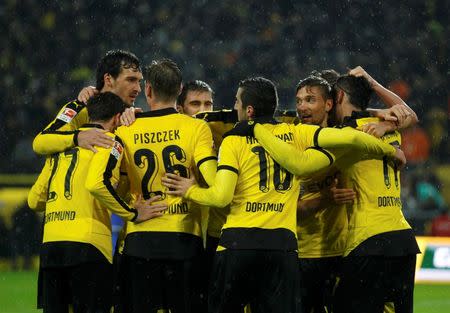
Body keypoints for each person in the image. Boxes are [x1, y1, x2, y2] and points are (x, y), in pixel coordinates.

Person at [162, 76, 404, 313]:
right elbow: (353, 137)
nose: (232, 107)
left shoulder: (233, 139)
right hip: (282, 247)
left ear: (248, 110)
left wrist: (190, 189)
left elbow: (220, 197)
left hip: (237, 244)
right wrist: (389, 150)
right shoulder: (296, 132)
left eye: (236, 102)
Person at [86, 59, 217, 313]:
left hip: (140, 244)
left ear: (148, 90)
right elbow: (213, 182)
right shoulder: (197, 128)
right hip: (184, 242)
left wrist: (131, 212)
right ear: (180, 90)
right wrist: (193, 187)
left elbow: (97, 182)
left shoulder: (125, 130)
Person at [35, 92, 166, 313]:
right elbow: (96, 184)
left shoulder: (58, 149)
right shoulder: (109, 140)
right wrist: (133, 213)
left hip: (51, 247)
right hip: (89, 246)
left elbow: (34, 199)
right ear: (116, 119)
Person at [330, 75, 420, 313]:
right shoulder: (386, 126)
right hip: (403, 241)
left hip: (368, 240)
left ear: (338, 96)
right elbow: (409, 113)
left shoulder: (344, 132)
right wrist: (371, 84)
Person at [28, 49, 143, 210]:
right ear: (108, 79)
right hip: (68, 213)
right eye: (131, 80)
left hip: (101, 217)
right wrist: (78, 137)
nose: (138, 88)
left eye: (139, 81)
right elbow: (40, 143)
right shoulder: (80, 108)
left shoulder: (131, 117)